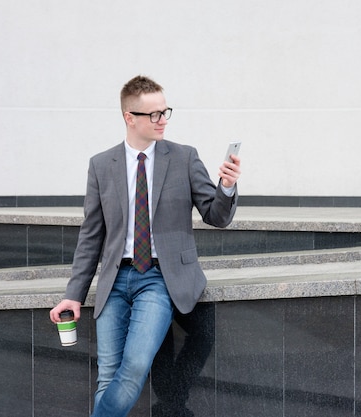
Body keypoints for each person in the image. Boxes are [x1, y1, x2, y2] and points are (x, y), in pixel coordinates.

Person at [49, 75, 241, 417]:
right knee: (108, 375)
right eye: (153, 114)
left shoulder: (183, 157)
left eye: (165, 111)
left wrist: (225, 186)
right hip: (115, 280)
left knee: (136, 363)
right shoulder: (101, 165)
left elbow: (216, 216)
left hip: (158, 278)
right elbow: (91, 234)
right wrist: (74, 293)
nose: (162, 119)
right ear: (129, 117)